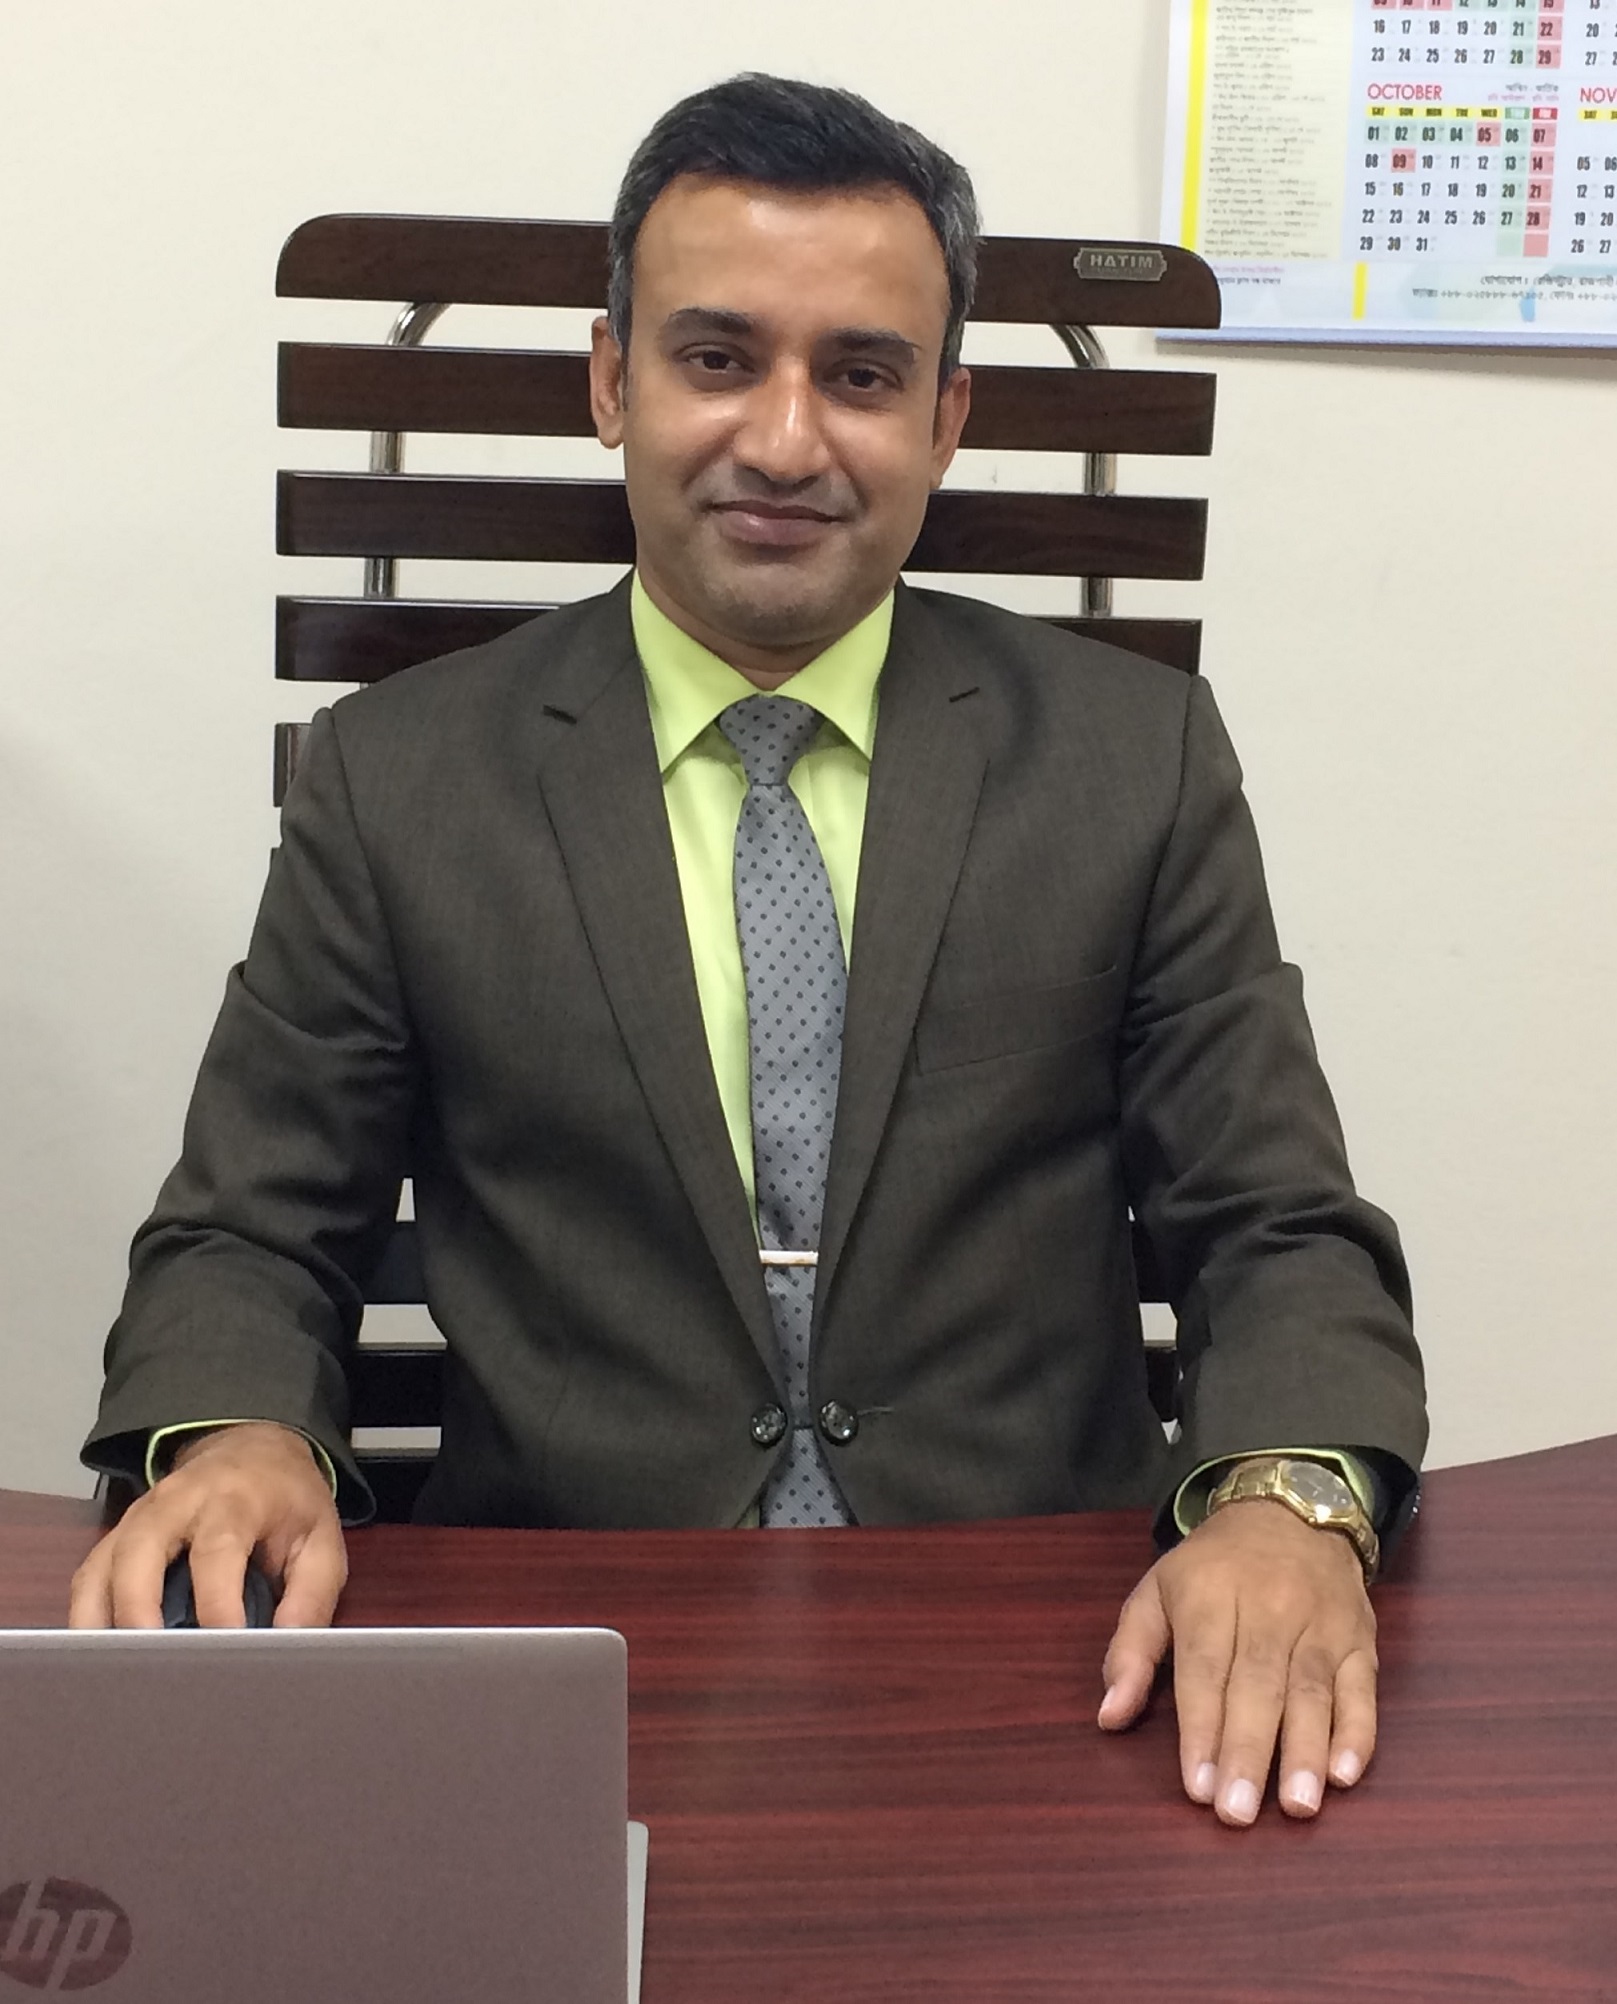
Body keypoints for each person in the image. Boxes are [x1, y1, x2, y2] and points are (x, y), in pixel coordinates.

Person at [71, 74, 1426, 1830]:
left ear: (945, 418)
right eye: (717, 358)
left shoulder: (1131, 760)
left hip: (1048, 1644)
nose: (785, 442)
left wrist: (1282, 1500)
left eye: (860, 376)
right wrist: (238, 1432)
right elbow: (248, 1233)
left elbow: (1275, 1227)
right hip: (566, 1644)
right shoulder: (397, 779)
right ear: (609, 382)